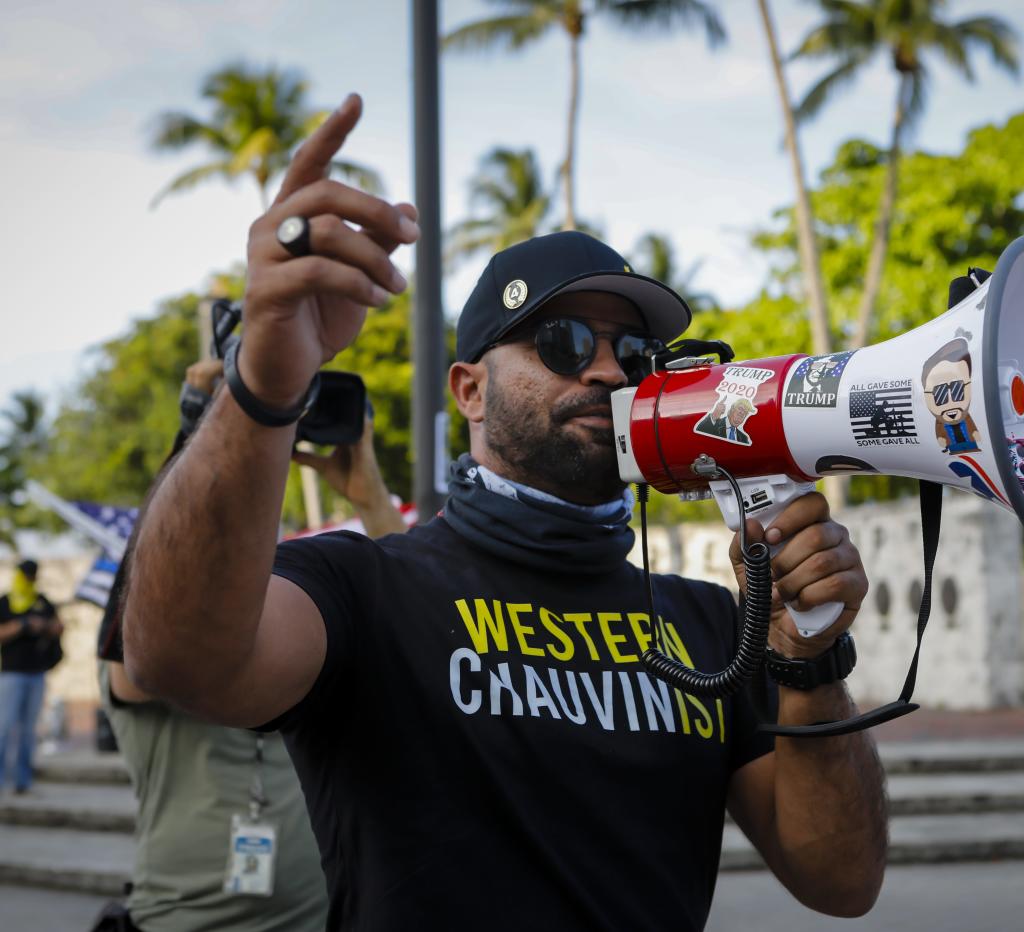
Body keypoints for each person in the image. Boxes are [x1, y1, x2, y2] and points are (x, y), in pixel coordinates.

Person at [123, 96, 886, 929]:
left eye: (633, 354)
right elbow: (177, 660)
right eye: (562, 343)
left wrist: (808, 663)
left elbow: (839, 883)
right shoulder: (367, 590)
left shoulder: (716, 627)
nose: (606, 374)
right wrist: (265, 380)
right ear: (470, 390)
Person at [97, 357, 405, 932]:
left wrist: (372, 499)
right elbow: (148, 616)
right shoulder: (147, 646)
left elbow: (419, 620)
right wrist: (196, 435)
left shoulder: (299, 640)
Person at [0, 558, 63, 795]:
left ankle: (22, 782)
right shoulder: (5, 602)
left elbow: (59, 627)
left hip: (37, 673)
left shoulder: (42, 601)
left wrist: (44, 626)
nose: (29, 580)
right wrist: (22, 625)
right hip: (10, 674)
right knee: (4, 728)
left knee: (29, 730)